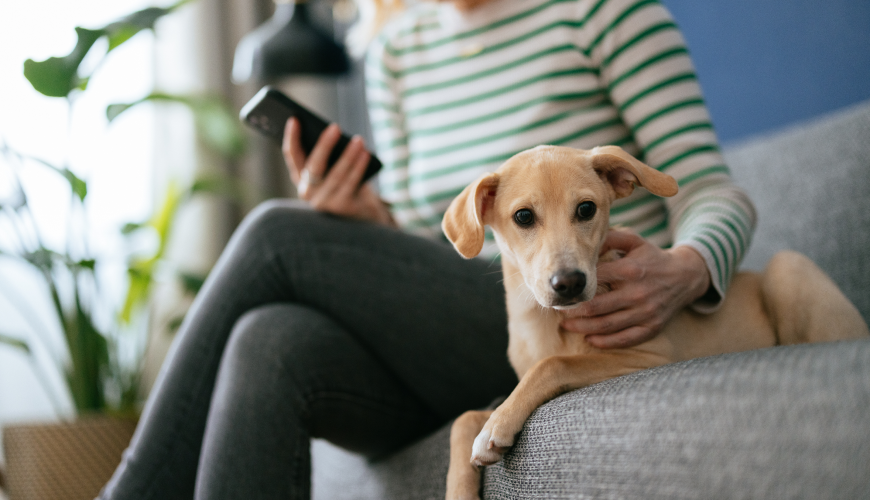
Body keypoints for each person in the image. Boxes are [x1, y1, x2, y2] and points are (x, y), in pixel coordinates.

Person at [100, 0, 755, 498]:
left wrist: (687, 269)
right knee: (269, 339)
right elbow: (432, 242)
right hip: (457, 333)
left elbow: (711, 191)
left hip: (580, 318)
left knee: (278, 234)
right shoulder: (396, 48)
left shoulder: (605, 16)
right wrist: (366, 220)